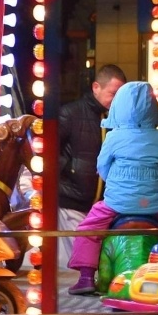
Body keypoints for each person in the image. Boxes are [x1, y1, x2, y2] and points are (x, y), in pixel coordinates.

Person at [68, 81, 158, 295]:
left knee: (87, 230)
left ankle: (86, 276)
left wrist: (117, 185)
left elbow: (102, 167)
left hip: (118, 203)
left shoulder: (113, 136)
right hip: (154, 204)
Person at [57, 65, 127, 234]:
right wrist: (69, 173)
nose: (117, 99)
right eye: (113, 93)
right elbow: (50, 153)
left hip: (106, 206)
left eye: (121, 95)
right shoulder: (70, 113)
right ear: (96, 87)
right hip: (72, 203)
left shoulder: (122, 119)